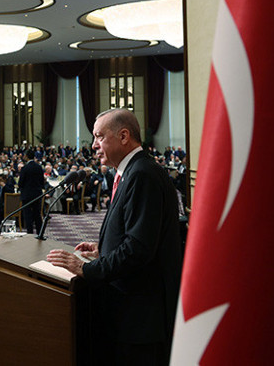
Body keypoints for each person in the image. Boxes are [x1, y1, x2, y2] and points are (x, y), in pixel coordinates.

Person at [47, 109, 181, 366]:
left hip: (141, 317)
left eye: (99, 137)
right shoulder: (131, 171)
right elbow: (139, 235)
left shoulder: (142, 174)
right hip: (133, 312)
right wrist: (103, 249)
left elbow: (139, 249)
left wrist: (87, 268)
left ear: (123, 136)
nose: (94, 146)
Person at [18, 148, 44, 234]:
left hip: (27, 195)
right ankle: (40, 233)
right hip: (37, 194)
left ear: (26, 156)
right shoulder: (39, 167)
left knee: (28, 216)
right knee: (37, 214)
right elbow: (41, 181)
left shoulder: (24, 168)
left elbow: (20, 183)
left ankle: (30, 233)